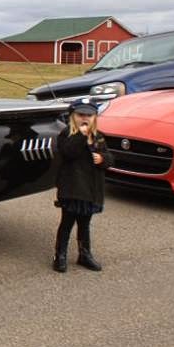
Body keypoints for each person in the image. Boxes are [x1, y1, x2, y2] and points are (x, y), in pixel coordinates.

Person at [53, 97, 113, 272]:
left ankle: (84, 254)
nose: (85, 118)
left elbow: (109, 158)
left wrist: (102, 159)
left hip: (91, 190)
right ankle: (60, 255)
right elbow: (68, 152)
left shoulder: (98, 137)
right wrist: (81, 135)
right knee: (67, 223)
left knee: (85, 224)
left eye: (89, 115)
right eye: (80, 115)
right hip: (72, 189)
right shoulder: (67, 134)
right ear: (72, 116)